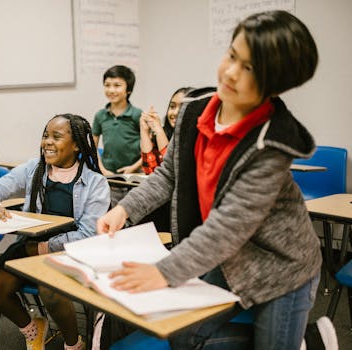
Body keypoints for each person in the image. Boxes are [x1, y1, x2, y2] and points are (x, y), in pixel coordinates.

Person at [96, 11, 338, 350]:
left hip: (281, 267)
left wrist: (163, 272)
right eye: (232, 55)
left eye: (250, 68)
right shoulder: (195, 109)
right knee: (184, 335)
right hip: (228, 256)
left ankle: (310, 340)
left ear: (276, 83)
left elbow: (227, 228)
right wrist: (125, 210)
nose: (231, 72)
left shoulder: (270, 147)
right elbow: (169, 174)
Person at [0, 114, 110, 350]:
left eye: (56, 137)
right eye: (45, 136)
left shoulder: (95, 183)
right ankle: (33, 329)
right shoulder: (34, 168)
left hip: (69, 252)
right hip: (30, 245)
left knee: (49, 291)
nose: (47, 142)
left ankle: (73, 344)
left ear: (77, 145)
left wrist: (42, 248)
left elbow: (89, 234)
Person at [92, 65, 142, 206]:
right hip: (109, 177)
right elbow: (92, 146)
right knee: (111, 212)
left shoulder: (137, 114)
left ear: (128, 90)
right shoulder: (100, 115)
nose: (111, 90)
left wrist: (133, 167)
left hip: (134, 177)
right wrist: (102, 169)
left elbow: (149, 148)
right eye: (107, 85)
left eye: (117, 85)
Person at [140, 87, 193, 175]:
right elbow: (150, 171)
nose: (175, 112)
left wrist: (159, 130)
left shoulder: (197, 139)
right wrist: (144, 130)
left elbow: (172, 171)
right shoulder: (164, 133)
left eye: (182, 107)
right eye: (172, 106)